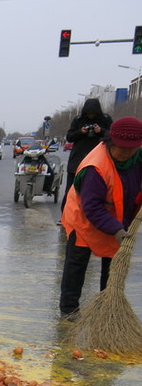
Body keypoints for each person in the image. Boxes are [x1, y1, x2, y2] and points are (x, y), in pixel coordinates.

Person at [58, 116, 142, 316]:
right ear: (110, 142)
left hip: (117, 217)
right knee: (77, 262)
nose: (127, 153)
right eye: (122, 148)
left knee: (113, 264)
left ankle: (107, 308)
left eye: (132, 149)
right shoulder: (95, 168)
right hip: (84, 217)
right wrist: (116, 229)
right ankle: (69, 310)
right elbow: (92, 207)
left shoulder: (137, 158)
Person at [61, 98, 112, 212]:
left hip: (99, 160)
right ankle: (65, 213)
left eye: (93, 114)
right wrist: (81, 131)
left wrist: (101, 131)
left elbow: (112, 136)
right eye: (89, 114)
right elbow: (69, 137)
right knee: (71, 189)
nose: (91, 116)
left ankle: (92, 214)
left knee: (95, 190)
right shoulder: (78, 119)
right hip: (78, 159)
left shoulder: (106, 119)